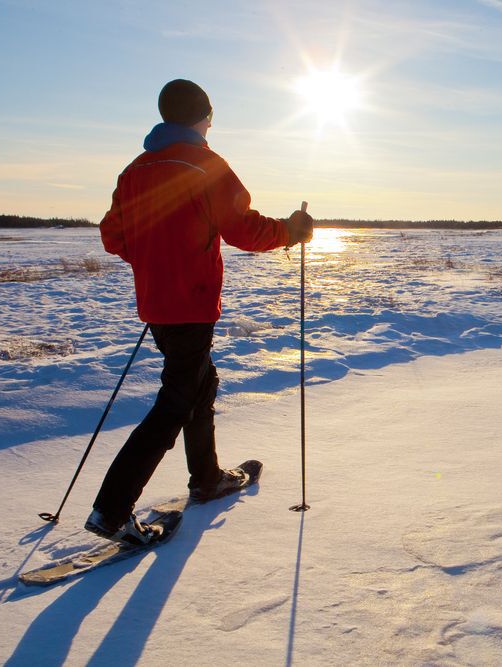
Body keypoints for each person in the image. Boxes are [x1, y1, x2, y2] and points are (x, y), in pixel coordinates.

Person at [86, 79, 313, 545]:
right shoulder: (206, 164)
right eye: (210, 117)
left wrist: (156, 260)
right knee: (176, 401)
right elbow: (244, 229)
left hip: (157, 302)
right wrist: (291, 230)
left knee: (198, 383)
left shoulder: (135, 170)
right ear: (202, 116)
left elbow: (114, 235)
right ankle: (111, 510)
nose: (211, 125)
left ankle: (206, 477)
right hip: (190, 301)